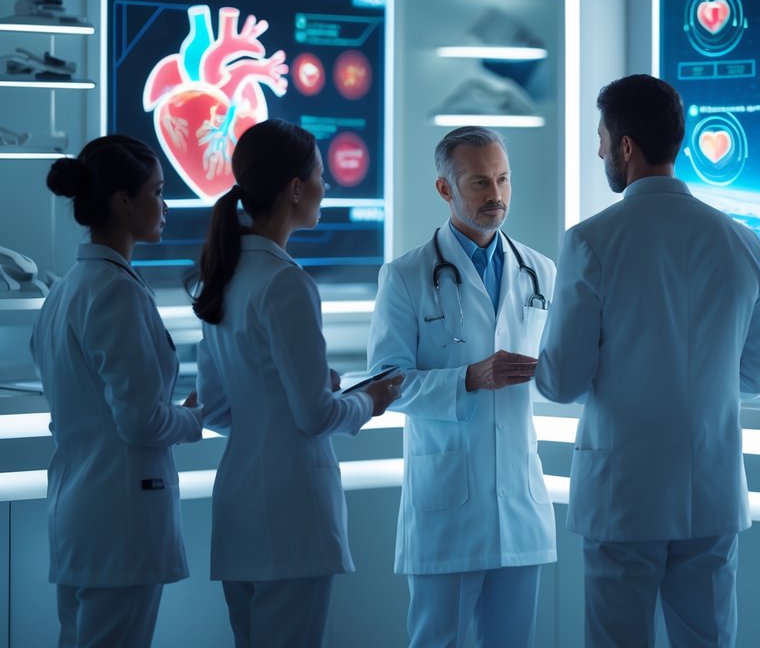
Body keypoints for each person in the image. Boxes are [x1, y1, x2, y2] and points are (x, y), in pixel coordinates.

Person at [535, 74, 760, 648]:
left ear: (625, 146)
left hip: (625, 496)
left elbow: (563, 380)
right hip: (712, 493)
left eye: (601, 137)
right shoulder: (743, 242)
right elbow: (756, 376)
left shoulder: (591, 242)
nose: (598, 150)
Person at [192, 119, 400, 648]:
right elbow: (315, 417)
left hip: (238, 510)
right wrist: (366, 399)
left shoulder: (226, 274)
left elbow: (215, 410)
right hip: (290, 516)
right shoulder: (287, 282)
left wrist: (293, 394)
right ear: (295, 189)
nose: (327, 188)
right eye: (320, 177)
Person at [367, 126, 556, 647]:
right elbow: (387, 382)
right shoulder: (405, 276)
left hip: (518, 500)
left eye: (503, 180)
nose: (496, 196)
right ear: (445, 190)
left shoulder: (539, 271)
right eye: (479, 183)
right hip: (445, 501)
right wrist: (470, 378)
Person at [29, 135, 203, 648]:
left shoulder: (67, 288)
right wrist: (196, 416)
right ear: (123, 202)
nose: (165, 205)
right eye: (157, 191)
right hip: (119, 518)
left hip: (83, 512)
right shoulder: (115, 292)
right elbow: (142, 421)